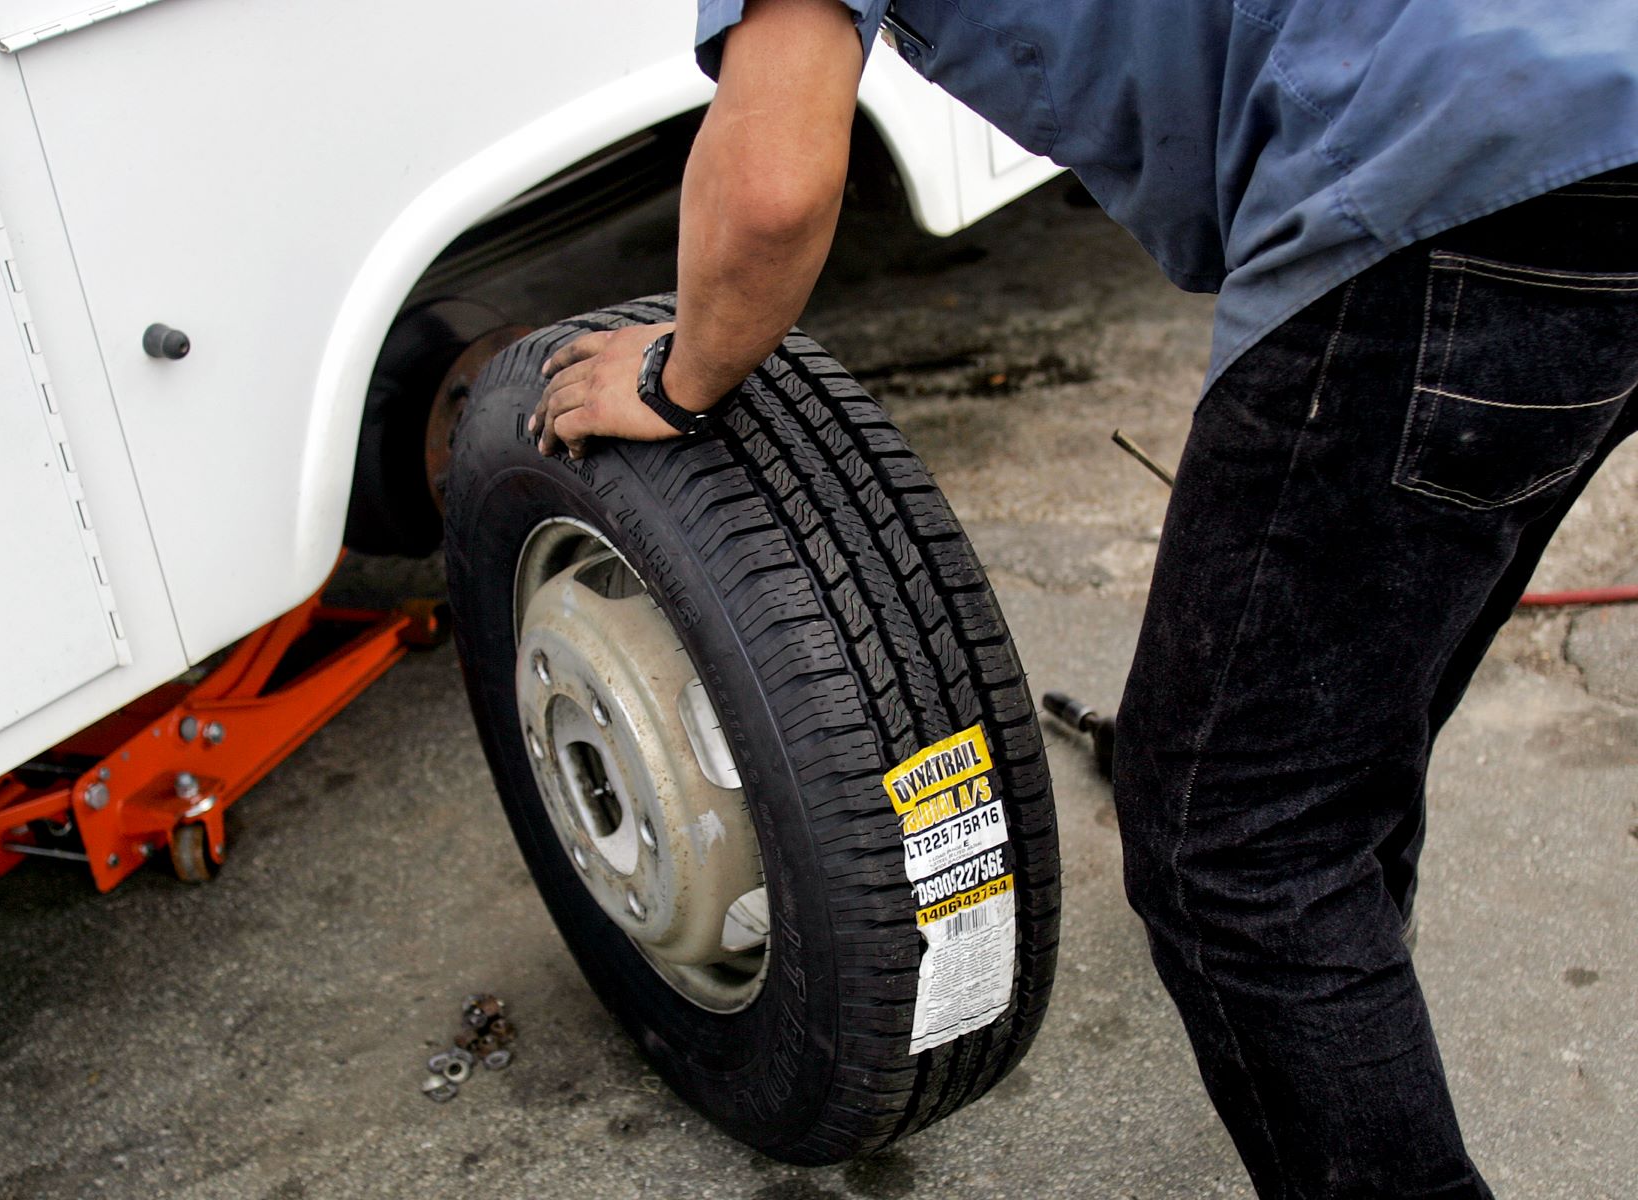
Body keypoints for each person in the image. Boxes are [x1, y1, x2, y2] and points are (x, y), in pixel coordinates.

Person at [529, 2, 1638, 1195]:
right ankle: (1335, 984)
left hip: (1456, 170)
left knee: (1235, 840)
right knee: (1329, 742)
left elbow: (773, 190)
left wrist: (680, 373)